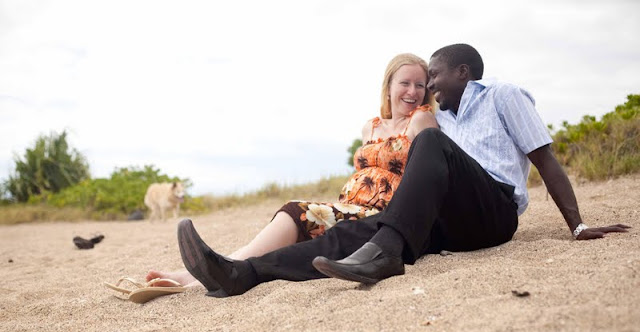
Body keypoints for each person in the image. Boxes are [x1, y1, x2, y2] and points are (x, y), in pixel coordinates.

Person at [176, 43, 630, 297]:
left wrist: (577, 225)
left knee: (425, 149)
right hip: (449, 221)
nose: (427, 86)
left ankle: (386, 252)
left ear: (463, 72)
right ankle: (244, 274)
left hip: (493, 211)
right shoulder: (442, 115)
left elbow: (544, 159)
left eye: (433, 76)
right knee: (352, 237)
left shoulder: (501, 96)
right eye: (418, 81)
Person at [146, 53, 439, 291]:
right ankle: (195, 274)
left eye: (420, 85)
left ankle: (209, 274)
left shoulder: (420, 121)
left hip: (381, 214)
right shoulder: (370, 127)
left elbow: (426, 173)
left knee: (295, 211)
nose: (413, 92)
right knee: (284, 229)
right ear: (388, 87)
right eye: (405, 83)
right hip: (350, 206)